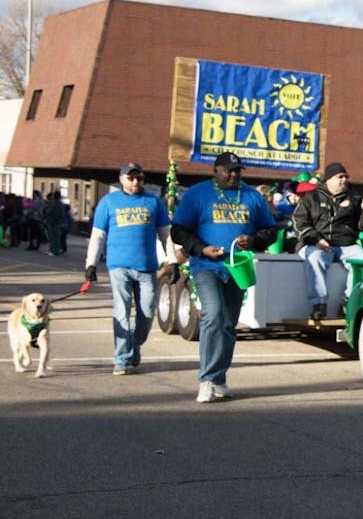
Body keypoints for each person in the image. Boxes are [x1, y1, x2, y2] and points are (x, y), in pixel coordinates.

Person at [171, 152, 277, 403]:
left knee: (228, 324)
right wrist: (200, 248)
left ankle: (219, 379)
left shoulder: (252, 196)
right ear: (215, 170)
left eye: (237, 170)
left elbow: (271, 231)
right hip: (206, 265)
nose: (233, 174)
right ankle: (206, 380)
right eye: (228, 170)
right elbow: (178, 230)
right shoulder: (197, 194)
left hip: (237, 267)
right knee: (213, 314)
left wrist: (253, 240)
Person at [85, 162, 180, 375]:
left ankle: (133, 344)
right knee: (122, 310)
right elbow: (98, 236)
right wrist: (90, 264)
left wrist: (172, 260)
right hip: (119, 266)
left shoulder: (154, 202)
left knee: (146, 313)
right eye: (131, 178)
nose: (135, 182)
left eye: (139, 178)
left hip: (147, 267)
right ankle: (121, 358)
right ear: (121, 179)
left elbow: (166, 234)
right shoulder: (109, 202)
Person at [293, 161, 363, 320]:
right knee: (315, 258)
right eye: (340, 177)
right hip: (316, 243)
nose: (344, 180)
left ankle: (348, 301)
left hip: (346, 244)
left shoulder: (355, 198)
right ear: (328, 179)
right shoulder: (312, 197)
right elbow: (299, 221)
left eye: (346, 177)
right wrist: (316, 239)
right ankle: (319, 304)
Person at [44, 192, 67, 256]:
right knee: (55, 238)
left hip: (55, 223)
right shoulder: (59, 204)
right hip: (58, 223)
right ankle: (53, 250)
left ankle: (54, 251)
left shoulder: (55, 204)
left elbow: (54, 214)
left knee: (54, 238)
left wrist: (50, 221)